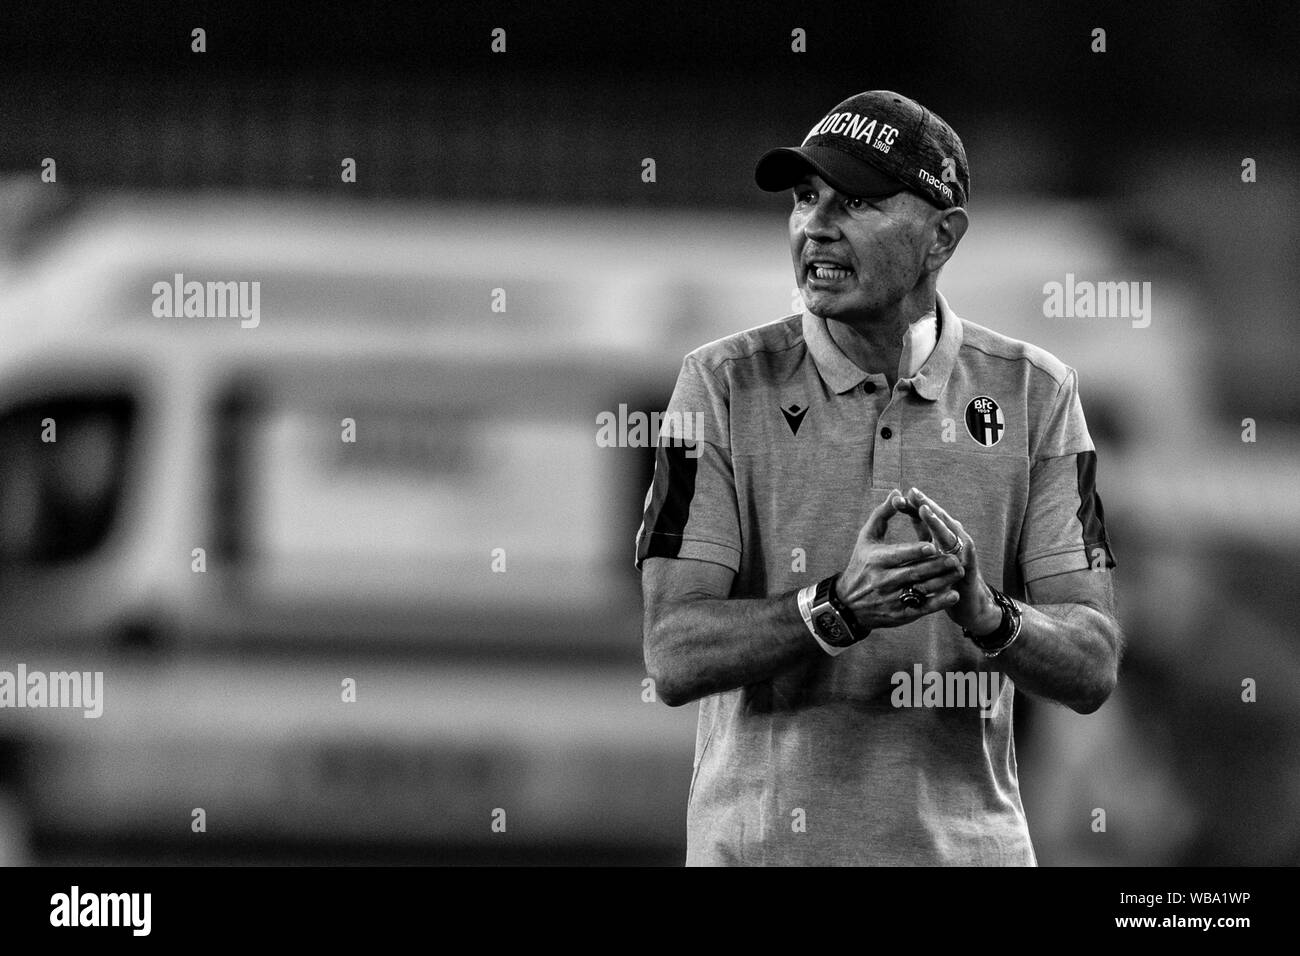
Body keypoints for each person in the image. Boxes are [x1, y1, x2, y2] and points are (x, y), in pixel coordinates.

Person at [634, 90, 1122, 866]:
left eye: (856, 202)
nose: (816, 226)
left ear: (941, 236)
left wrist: (987, 613)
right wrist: (836, 607)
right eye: (804, 198)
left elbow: (1093, 663)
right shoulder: (720, 387)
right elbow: (673, 652)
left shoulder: (1038, 393)